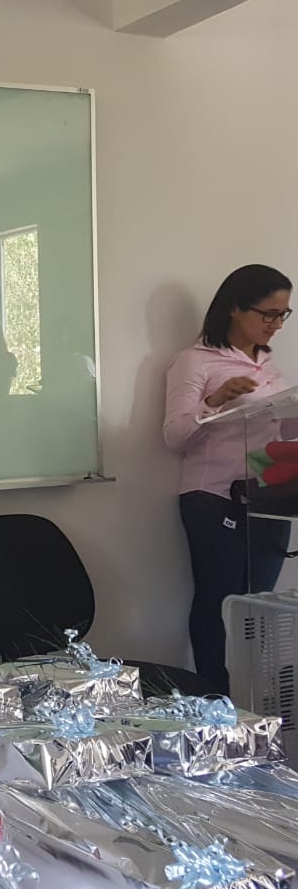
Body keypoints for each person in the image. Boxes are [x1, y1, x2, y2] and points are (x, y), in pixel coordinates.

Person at [164, 263, 294, 695]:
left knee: (260, 606)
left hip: (268, 499)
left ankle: (257, 697)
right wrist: (216, 400)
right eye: (268, 314)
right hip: (214, 497)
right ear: (235, 308)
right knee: (217, 601)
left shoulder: (268, 363)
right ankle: (214, 699)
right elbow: (174, 435)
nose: (277, 324)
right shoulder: (195, 361)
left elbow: (278, 429)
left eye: (283, 314)